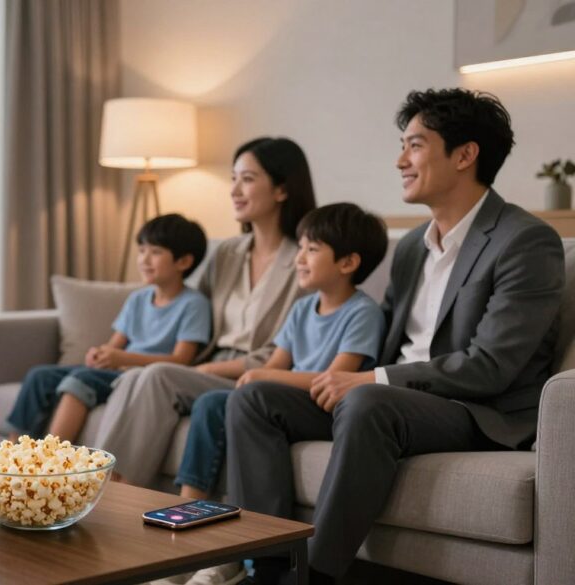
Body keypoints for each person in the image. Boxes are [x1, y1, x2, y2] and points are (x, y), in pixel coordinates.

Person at [228, 89, 565, 585]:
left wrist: (373, 380)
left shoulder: (525, 241)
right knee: (254, 398)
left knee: (368, 404)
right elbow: (383, 335)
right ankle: (270, 567)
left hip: (476, 410)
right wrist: (346, 378)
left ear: (465, 154)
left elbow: (491, 365)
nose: (400, 160)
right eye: (402, 145)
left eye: (415, 145)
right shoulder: (409, 247)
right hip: (392, 403)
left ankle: (315, 577)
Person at [91, 137, 317, 488]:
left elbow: (288, 350)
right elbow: (197, 316)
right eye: (233, 178)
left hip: (254, 375)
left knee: (157, 375)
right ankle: (101, 480)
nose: (235, 190)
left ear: (282, 190)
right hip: (207, 369)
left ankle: (109, 485)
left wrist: (208, 367)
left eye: (248, 179)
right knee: (138, 375)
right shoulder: (226, 253)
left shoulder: (304, 261)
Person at [175, 203, 387, 501]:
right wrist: (262, 375)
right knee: (210, 404)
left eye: (311, 250)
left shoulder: (363, 313)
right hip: (286, 398)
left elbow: (338, 378)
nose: (299, 258)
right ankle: (189, 502)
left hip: (324, 406)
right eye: (300, 248)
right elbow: (277, 365)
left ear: (348, 263)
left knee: (249, 394)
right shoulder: (302, 309)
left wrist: (262, 375)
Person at [6, 214, 212, 443]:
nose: (144, 259)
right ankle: (13, 455)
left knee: (82, 378)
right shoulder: (138, 299)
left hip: (139, 378)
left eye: (155, 252)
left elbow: (181, 360)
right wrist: (100, 354)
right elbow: (115, 344)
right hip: (117, 370)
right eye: (142, 250)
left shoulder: (194, 304)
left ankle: (49, 458)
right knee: (39, 376)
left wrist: (123, 358)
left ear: (183, 262)